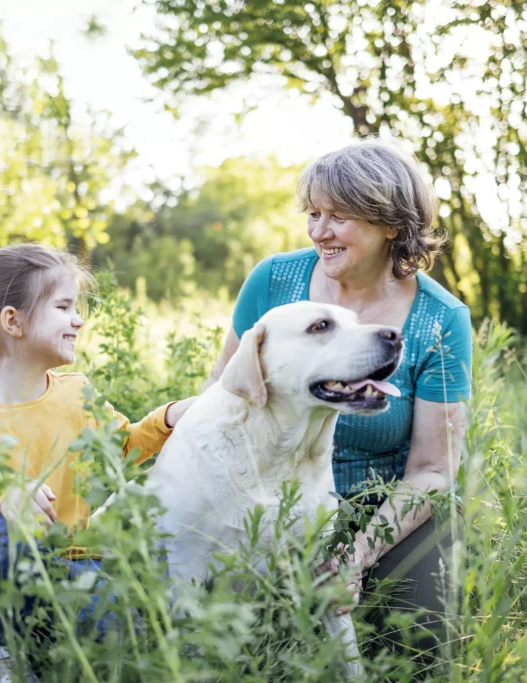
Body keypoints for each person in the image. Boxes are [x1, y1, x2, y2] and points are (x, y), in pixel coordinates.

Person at [206, 139, 472, 660]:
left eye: (340, 217)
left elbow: (433, 471)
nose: (320, 232)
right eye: (314, 214)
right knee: (247, 649)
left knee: (411, 652)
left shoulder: (441, 320)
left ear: (391, 224)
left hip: (379, 506)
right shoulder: (273, 282)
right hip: (270, 498)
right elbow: (224, 399)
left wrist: (357, 557)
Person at [0, 243, 194, 682]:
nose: (78, 319)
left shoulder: (74, 392)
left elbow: (121, 448)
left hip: (64, 567)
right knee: (11, 521)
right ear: (14, 322)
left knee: (136, 623)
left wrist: (170, 416)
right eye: (63, 307)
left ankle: (47, 644)